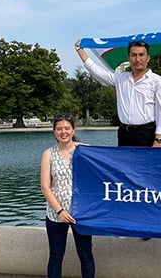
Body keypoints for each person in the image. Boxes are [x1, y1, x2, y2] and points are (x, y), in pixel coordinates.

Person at [75, 40, 161, 147]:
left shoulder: (158, 82)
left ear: (148, 57)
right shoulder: (120, 78)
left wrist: (158, 139)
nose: (138, 59)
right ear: (128, 58)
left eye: (141, 55)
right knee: (123, 164)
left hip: (147, 134)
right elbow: (97, 72)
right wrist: (80, 51)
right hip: (124, 133)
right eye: (134, 55)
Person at [41, 114, 95, 278]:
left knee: (85, 255)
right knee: (56, 256)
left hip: (81, 213)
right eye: (59, 129)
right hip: (56, 214)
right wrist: (60, 211)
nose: (63, 132)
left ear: (73, 130)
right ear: (54, 132)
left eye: (67, 128)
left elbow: (97, 179)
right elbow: (45, 186)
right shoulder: (48, 154)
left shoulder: (85, 150)